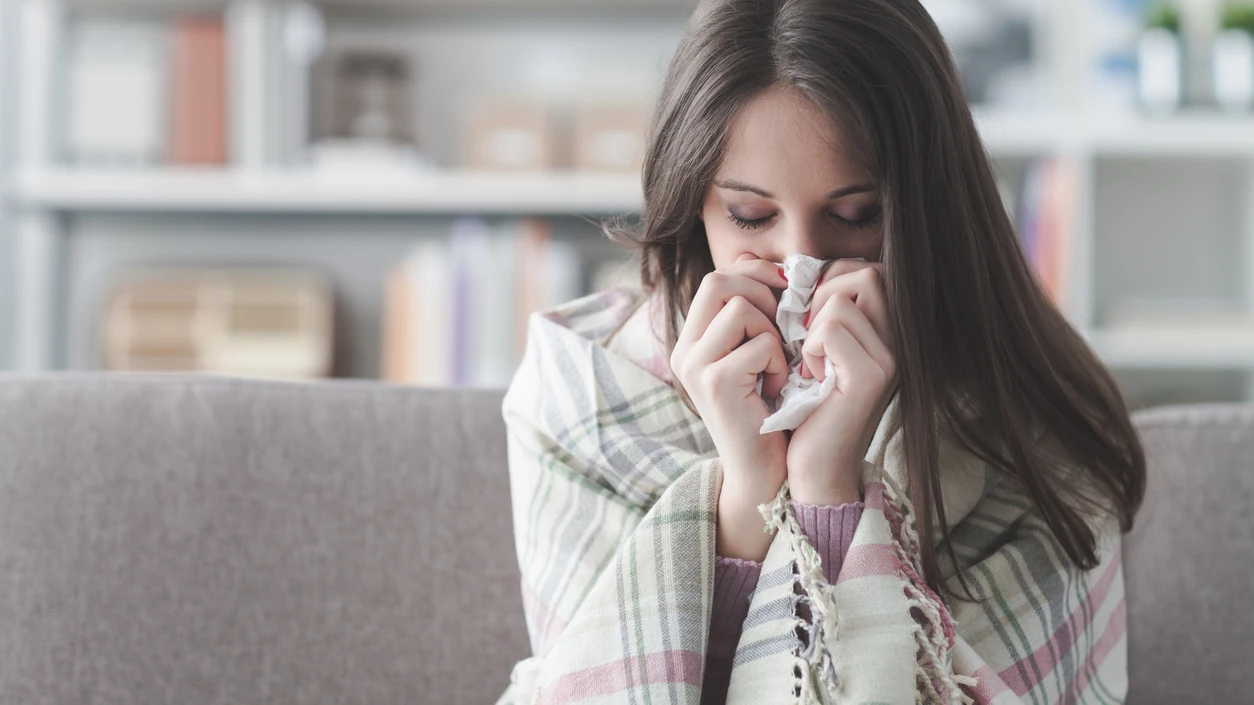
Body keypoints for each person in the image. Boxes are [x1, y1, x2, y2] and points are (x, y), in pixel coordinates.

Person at [496, 0, 1146, 703]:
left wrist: (829, 488)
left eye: (854, 215)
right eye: (750, 215)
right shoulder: (583, 390)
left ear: (924, 206)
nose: (800, 263)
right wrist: (746, 494)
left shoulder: (1030, 421)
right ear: (693, 204)